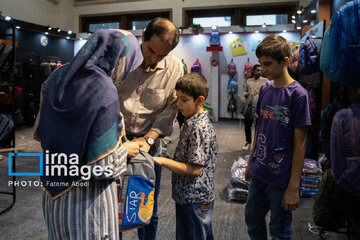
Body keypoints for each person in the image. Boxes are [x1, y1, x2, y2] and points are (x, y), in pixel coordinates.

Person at [36, 29, 143, 239]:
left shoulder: (57, 78)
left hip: (54, 193)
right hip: (88, 205)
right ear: (119, 58)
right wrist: (126, 150)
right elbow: (103, 166)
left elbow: (40, 132)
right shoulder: (103, 89)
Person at [116, 17, 183, 240]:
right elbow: (106, 99)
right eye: (151, 51)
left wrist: (150, 138)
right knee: (112, 206)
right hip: (115, 141)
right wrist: (120, 135)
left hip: (150, 146)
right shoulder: (121, 59)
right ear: (143, 38)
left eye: (161, 55)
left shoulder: (174, 68)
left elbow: (171, 107)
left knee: (146, 207)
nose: (153, 58)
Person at [244, 35, 311, 240]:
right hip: (259, 171)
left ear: (285, 61)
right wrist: (250, 162)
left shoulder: (298, 95)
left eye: (267, 64)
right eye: (261, 64)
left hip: (281, 178)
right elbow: (260, 128)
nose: (263, 70)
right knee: (252, 219)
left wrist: (293, 186)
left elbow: (301, 143)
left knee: (279, 230)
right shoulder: (265, 88)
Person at [153, 72, 218, 240]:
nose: (179, 104)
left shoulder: (199, 127)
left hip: (194, 198)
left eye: (184, 99)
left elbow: (195, 169)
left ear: (200, 100)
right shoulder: (191, 121)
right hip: (187, 195)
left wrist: (163, 160)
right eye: (178, 98)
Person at [242, 64, 267, 151]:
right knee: (247, 125)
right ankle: (248, 142)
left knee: (259, 125)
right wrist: (247, 95)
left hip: (260, 106)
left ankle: (257, 144)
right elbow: (244, 92)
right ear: (253, 71)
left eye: (260, 70)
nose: (259, 72)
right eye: (257, 70)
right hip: (249, 105)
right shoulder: (248, 81)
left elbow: (267, 93)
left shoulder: (265, 81)